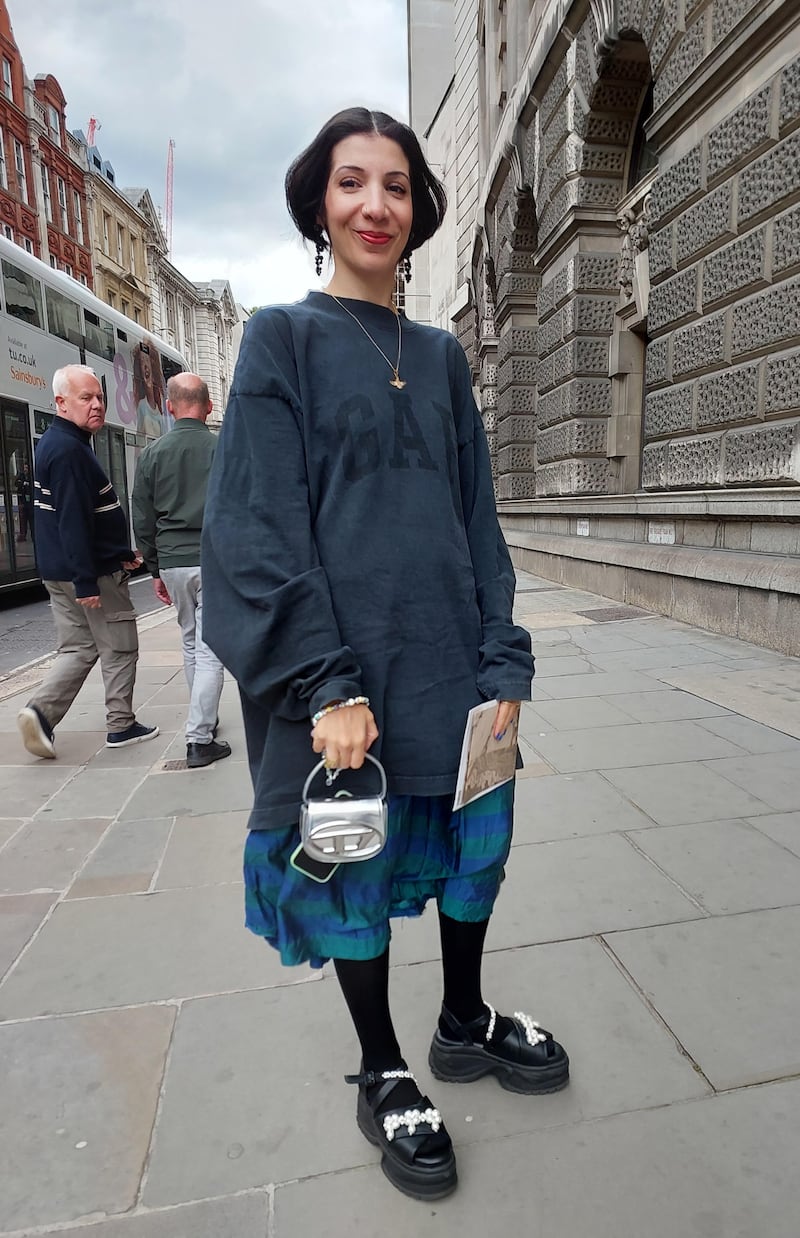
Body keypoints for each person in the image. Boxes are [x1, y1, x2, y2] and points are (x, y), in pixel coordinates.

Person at [201, 108, 569, 1201]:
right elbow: (256, 524)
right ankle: (382, 1063)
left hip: (455, 671)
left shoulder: (443, 355)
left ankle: (461, 1018)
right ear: (319, 200)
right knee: (352, 871)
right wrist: (325, 679)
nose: (375, 204)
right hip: (345, 692)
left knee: (474, 856)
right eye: (352, 182)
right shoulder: (280, 337)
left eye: (396, 186)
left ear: (417, 210)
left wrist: (504, 660)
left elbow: (476, 519)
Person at [17, 364, 158, 760]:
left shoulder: (59, 443)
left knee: (78, 648)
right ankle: (121, 725)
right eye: (86, 398)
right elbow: (73, 519)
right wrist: (87, 581)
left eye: (99, 397)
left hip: (64, 568)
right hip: (88, 573)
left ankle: (39, 714)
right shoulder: (68, 451)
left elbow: (80, 515)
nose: (97, 405)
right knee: (120, 646)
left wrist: (120, 552)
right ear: (61, 403)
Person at [132, 373, 231, 769]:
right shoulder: (223, 448)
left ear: (169, 407)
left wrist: (154, 567)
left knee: (191, 643)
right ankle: (199, 737)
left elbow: (142, 516)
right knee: (211, 651)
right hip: (214, 559)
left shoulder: (153, 454)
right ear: (208, 407)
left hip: (172, 562)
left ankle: (202, 719)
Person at [132, 341, 169, 439]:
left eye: (147, 361)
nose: (145, 367)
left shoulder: (159, 412)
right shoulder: (142, 406)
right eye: (142, 362)